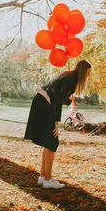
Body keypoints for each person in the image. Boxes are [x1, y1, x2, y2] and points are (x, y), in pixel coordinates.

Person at [25, 59, 92, 189]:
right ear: (83, 71)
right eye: (88, 73)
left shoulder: (68, 76)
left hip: (41, 101)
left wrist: (69, 98)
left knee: (48, 142)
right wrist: (56, 122)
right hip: (45, 104)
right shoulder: (71, 79)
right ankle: (48, 179)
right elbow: (56, 99)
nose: (89, 76)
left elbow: (59, 95)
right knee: (52, 141)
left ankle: (43, 177)